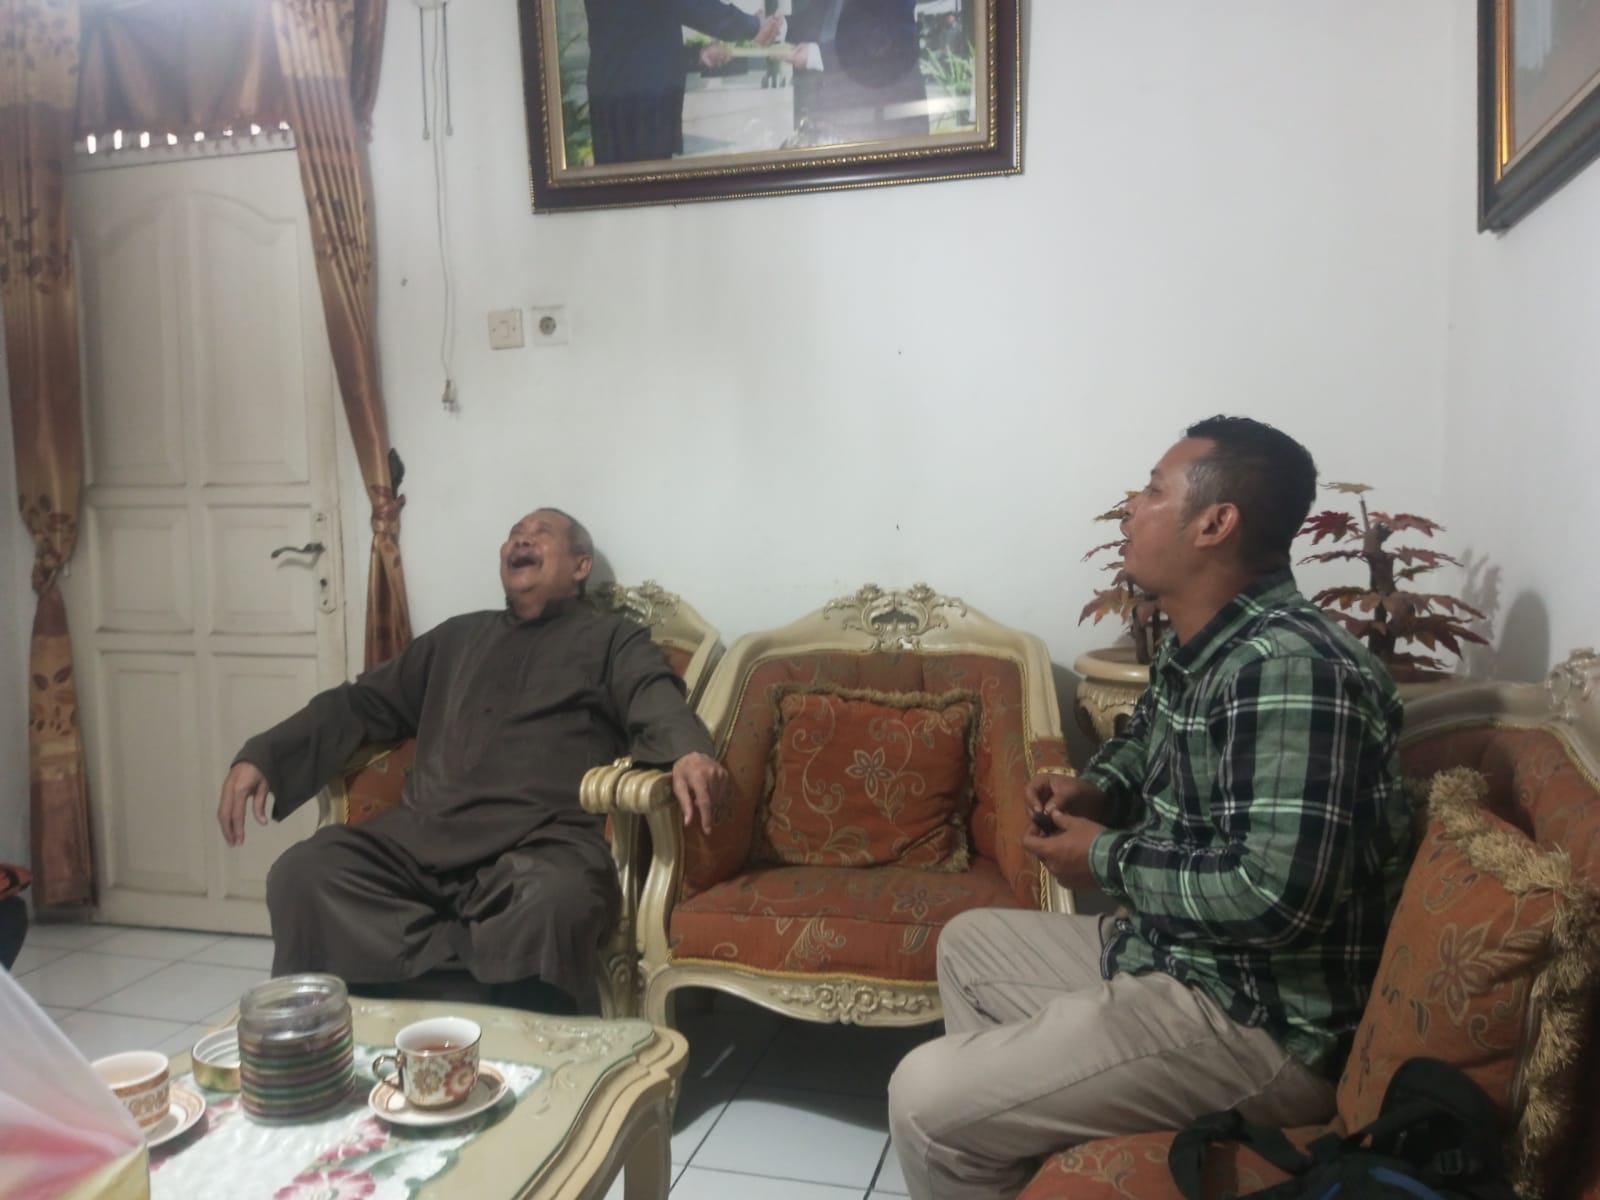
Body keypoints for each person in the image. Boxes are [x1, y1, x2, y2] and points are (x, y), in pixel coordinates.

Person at [887, 417, 1416, 1200]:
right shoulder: (1204, 644)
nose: (1132, 508)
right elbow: (1149, 742)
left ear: (1215, 523)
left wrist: (1103, 858)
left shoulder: (1288, 668)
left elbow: (1278, 896)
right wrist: (1099, 788)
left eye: (1153, 491)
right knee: (969, 944)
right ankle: (1021, 1152)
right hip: (1181, 957)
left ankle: (980, 1127)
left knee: (923, 1099)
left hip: (1260, 1023)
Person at [216, 508, 729, 1012]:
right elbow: (361, 702)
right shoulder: (456, 638)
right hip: (419, 838)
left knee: (558, 897)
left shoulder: (611, 638)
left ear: (581, 565)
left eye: (541, 533)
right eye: (514, 533)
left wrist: (686, 750)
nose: (521, 540)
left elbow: (651, 693)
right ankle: (362, 1023)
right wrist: (265, 754)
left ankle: (512, 1035)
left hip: (541, 841)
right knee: (304, 874)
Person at [583, 0, 784, 164]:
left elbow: (632, 33)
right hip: (641, 108)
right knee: (643, 191)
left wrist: (696, 55)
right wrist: (753, 26)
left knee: (619, 188)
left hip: (614, 97)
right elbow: (692, 6)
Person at [785, 0, 928, 147]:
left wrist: (817, 54)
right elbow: (819, 16)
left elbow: (883, 37)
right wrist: (782, 27)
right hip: (838, 117)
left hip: (883, 121)